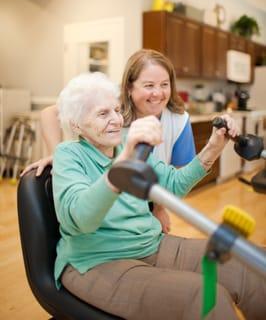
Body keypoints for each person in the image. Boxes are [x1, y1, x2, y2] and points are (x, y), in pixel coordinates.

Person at [52, 72, 265, 320]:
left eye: (117, 110)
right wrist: (125, 160)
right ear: (76, 125)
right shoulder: (69, 154)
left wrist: (214, 147)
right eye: (102, 114)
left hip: (152, 245)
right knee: (205, 297)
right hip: (97, 261)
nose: (116, 120)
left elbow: (173, 186)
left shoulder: (126, 144)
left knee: (250, 261)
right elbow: (80, 218)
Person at [21, 49, 196, 233]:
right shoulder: (111, 104)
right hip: (103, 196)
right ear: (129, 87)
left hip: (145, 199)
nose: (158, 93)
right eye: (149, 85)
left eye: (164, 84)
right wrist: (57, 155)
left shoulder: (178, 121)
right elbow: (50, 113)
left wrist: (160, 208)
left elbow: (173, 177)